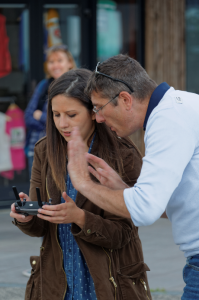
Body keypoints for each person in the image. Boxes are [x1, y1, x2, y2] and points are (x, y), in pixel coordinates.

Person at [10, 69, 152, 300]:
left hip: (109, 282)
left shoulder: (122, 154)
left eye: (72, 114)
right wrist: (25, 217)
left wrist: (80, 217)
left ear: (93, 112)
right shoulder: (44, 150)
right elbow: (39, 229)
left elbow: (124, 234)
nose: (62, 123)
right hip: (57, 281)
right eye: (56, 115)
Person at [66, 54, 199, 300]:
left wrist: (81, 182)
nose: (98, 118)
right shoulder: (182, 106)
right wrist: (123, 188)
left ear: (125, 99)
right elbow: (182, 206)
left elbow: (145, 210)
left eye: (99, 107)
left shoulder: (168, 120)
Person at [25, 44, 76, 178]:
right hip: (36, 146)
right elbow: (28, 116)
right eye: (51, 61)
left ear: (69, 62)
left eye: (59, 60)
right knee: (38, 189)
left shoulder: (75, 85)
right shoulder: (43, 85)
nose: (55, 65)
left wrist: (41, 117)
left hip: (62, 148)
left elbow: (72, 120)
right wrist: (48, 123)